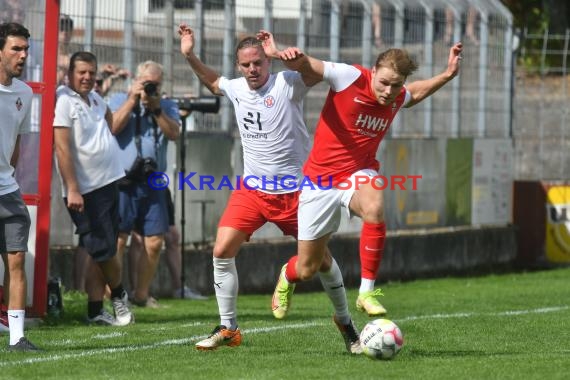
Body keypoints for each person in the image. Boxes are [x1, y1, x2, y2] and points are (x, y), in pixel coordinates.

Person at [179, 24, 362, 354]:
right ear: (239, 66)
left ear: (267, 63)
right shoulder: (236, 88)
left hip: (297, 193)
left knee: (320, 262)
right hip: (253, 191)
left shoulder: (287, 83)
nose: (252, 69)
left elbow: (315, 73)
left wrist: (288, 55)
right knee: (221, 250)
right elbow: (211, 81)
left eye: (258, 63)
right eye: (246, 64)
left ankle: (346, 322)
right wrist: (189, 54)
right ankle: (229, 327)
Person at [267, 33, 463, 317]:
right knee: (307, 268)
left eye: (396, 86)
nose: (388, 91)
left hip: (358, 171)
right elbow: (310, 65)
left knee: (375, 206)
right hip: (319, 181)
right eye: (383, 82)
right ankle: (287, 275)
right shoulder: (349, 77)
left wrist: (447, 74)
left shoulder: (396, 96)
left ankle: (367, 292)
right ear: (373, 73)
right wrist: (281, 55)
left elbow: (416, 92)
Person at [53, 51, 134, 327]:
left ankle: (95, 309)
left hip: (109, 183)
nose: (87, 77)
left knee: (106, 248)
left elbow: (111, 125)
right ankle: (120, 293)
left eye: (91, 73)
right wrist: (73, 188)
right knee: (103, 250)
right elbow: (62, 148)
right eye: (81, 72)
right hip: (86, 190)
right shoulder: (63, 100)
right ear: (70, 74)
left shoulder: (97, 99)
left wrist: (132, 98)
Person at [108, 61, 181, 308]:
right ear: (136, 80)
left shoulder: (167, 105)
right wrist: (132, 99)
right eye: (146, 82)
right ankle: (116, 292)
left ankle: (141, 294)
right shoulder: (119, 99)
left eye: (155, 84)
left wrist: (157, 109)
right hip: (123, 178)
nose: (150, 87)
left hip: (153, 180)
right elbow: (113, 127)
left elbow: (174, 134)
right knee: (119, 238)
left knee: (155, 240)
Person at [0, 22, 40, 351]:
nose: (23, 55)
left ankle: (17, 337)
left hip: (7, 189)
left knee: (16, 259)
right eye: (16, 48)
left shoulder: (25, 94)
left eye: (26, 49)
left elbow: (15, 145)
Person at [127, 187, 208, 300]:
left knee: (172, 237)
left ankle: (179, 289)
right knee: (138, 239)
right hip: (136, 183)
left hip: (157, 182)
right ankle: (136, 293)